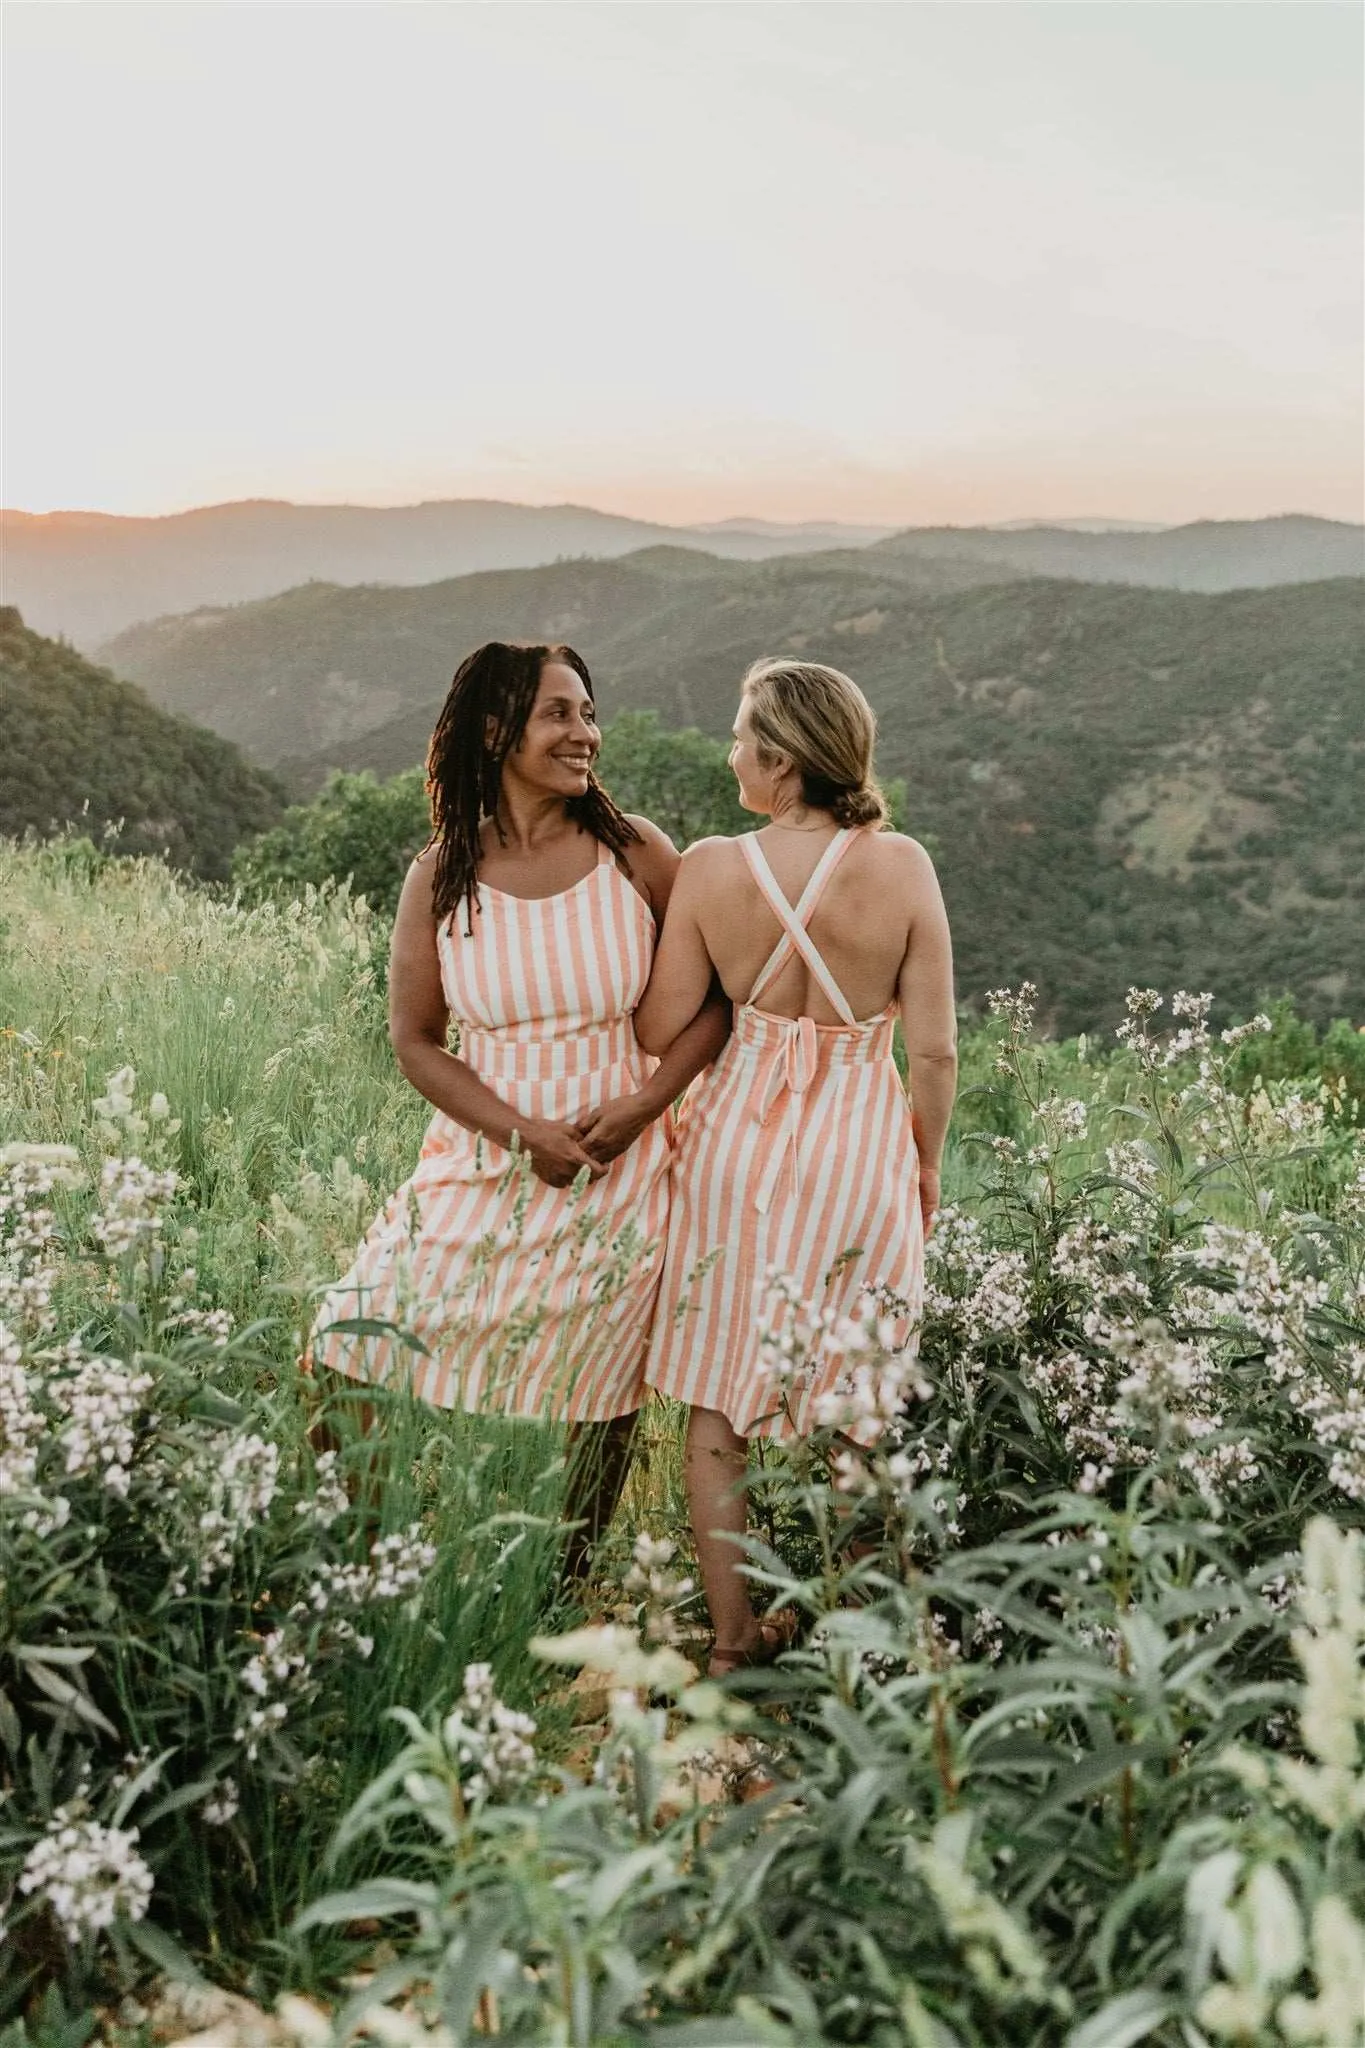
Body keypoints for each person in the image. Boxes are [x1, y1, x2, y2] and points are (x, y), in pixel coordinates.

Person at [307, 641, 729, 1571]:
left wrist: (644, 1104)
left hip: (617, 1158)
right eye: (560, 714)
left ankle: (558, 1594)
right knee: (346, 1339)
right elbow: (417, 1040)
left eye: (587, 712)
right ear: (496, 731)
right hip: (479, 1158)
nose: (586, 733)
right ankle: (366, 1571)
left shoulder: (636, 852)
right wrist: (518, 1132)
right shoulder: (442, 873)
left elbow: (716, 1002)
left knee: (598, 1392)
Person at [634, 657, 957, 1673]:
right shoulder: (902, 865)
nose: (730, 752)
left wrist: (743, 988)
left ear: (780, 760)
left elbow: (657, 1025)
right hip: (863, 1150)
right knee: (858, 1403)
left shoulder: (714, 867)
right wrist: (926, 1165)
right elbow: (937, 1050)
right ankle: (846, 1644)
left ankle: (733, 1641)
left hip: (737, 1149)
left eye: (740, 737)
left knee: (719, 1405)